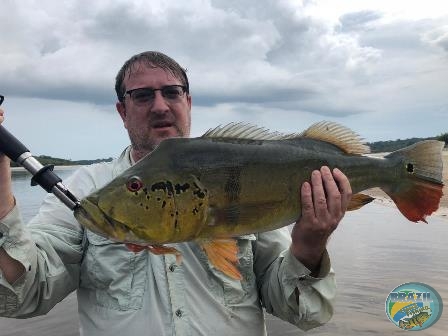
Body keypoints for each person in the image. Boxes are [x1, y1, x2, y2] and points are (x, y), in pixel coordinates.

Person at [0, 51, 352, 336]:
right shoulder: (86, 190)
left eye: (171, 92)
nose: (160, 106)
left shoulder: (237, 170)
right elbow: (22, 294)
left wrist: (309, 246)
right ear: (122, 112)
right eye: (142, 96)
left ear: (188, 101)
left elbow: (302, 313)